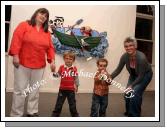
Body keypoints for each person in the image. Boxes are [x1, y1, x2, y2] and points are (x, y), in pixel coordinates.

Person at [8, 8, 56, 117]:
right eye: (41, 13)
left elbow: (50, 48)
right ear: (36, 14)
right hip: (22, 63)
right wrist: (15, 55)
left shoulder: (47, 33)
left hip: (39, 66)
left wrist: (52, 60)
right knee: (20, 90)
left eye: (46, 16)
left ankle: (32, 111)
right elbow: (16, 39)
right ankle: (16, 114)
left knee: (34, 90)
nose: (43, 16)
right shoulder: (24, 25)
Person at [111, 36, 153, 117]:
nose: (128, 48)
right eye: (126, 46)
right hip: (134, 75)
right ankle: (129, 111)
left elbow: (141, 76)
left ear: (135, 46)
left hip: (145, 75)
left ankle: (135, 115)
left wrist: (132, 85)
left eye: (131, 45)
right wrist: (110, 77)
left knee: (135, 92)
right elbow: (118, 70)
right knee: (127, 93)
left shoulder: (141, 58)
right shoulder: (124, 56)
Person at [51, 51, 79, 117]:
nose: (68, 60)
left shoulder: (74, 68)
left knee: (72, 103)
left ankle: (74, 114)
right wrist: (53, 71)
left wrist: (77, 85)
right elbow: (57, 75)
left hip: (71, 90)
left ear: (73, 60)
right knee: (59, 103)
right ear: (64, 59)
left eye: (70, 59)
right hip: (62, 89)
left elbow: (76, 78)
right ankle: (55, 114)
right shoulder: (61, 67)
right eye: (66, 58)